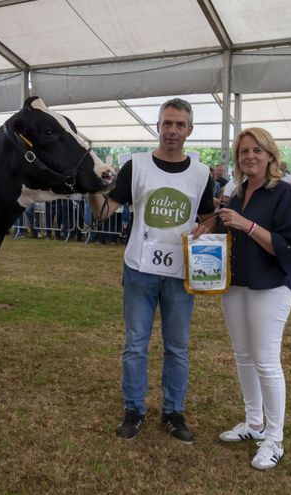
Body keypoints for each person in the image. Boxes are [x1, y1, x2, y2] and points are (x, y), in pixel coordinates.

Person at [88, 98, 215, 443]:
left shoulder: (201, 173)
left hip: (179, 274)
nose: (172, 130)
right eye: (167, 123)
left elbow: (208, 217)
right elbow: (104, 212)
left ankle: (173, 411)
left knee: (177, 347)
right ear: (157, 126)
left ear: (190, 130)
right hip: (139, 270)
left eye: (180, 124)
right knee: (135, 344)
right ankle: (134, 409)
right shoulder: (136, 166)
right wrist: (90, 186)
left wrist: (207, 228)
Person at [216, 127, 291, 471]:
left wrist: (246, 225)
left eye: (256, 150)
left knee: (266, 359)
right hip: (236, 284)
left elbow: (287, 246)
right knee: (243, 355)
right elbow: (229, 231)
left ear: (270, 155)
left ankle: (275, 437)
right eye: (243, 151)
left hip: (271, 284)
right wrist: (210, 228)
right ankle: (254, 424)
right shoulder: (237, 193)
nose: (249, 156)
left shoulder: (283, 193)